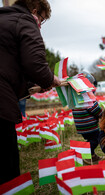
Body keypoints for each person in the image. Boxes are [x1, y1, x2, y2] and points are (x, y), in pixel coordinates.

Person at [0, 0, 61, 185]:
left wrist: (31, 85)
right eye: (41, 20)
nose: (40, 25)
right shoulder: (25, 20)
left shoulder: (4, 20)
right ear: (35, 11)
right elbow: (35, 63)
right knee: (6, 156)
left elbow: (9, 64)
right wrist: (51, 79)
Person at [72, 72, 103, 164]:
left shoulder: (75, 97)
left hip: (81, 125)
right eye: (92, 84)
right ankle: (86, 153)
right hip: (89, 124)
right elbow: (95, 109)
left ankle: (92, 156)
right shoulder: (87, 96)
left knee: (90, 140)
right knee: (96, 139)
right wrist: (102, 114)